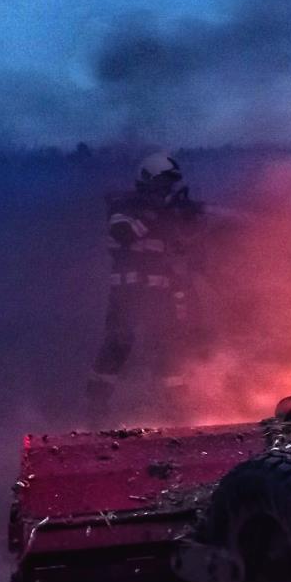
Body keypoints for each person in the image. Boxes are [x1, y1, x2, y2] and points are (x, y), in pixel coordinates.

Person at [86, 151, 207, 424]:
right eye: (163, 184)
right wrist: (161, 211)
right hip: (128, 294)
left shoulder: (162, 213)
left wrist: (187, 220)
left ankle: (177, 411)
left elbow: (180, 249)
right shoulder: (123, 205)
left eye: (170, 185)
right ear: (148, 180)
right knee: (118, 345)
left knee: (167, 349)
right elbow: (123, 233)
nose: (167, 190)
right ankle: (96, 407)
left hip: (160, 296)